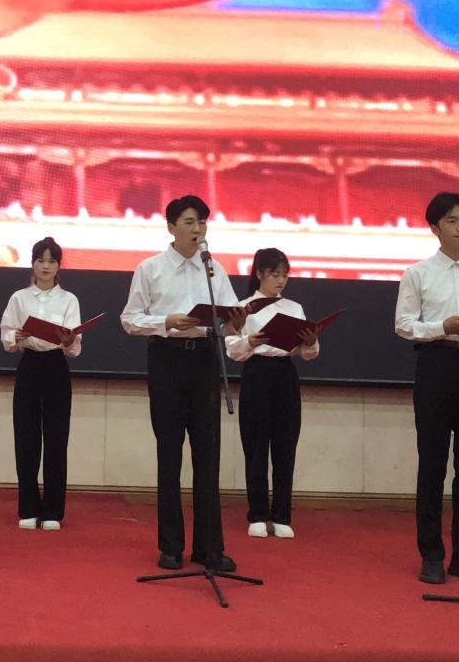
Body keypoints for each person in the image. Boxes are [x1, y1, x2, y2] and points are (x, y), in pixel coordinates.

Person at [120, 194, 242, 572]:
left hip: (205, 360)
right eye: (189, 222)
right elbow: (129, 319)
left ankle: (210, 548)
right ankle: (171, 546)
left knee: (208, 457)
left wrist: (236, 322)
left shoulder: (214, 269)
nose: (198, 228)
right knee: (169, 454)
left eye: (202, 222)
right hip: (167, 360)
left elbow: (230, 319)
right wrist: (166, 322)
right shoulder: (151, 269)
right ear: (171, 227)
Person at [394, 191, 459, 586]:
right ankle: (432, 555)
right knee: (433, 464)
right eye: (452, 221)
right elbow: (404, 325)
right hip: (437, 364)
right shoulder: (418, 273)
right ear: (435, 228)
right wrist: (442, 327)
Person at [225, 247, 318, 540]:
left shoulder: (294, 307)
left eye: (284, 275)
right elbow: (231, 350)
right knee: (255, 445)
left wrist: (311, 342)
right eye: (275, 274)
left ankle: (281, 516)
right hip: (257, 373)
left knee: (285, 444)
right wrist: (250, 342)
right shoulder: (244, 307)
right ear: (259, 274)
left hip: (285, 374)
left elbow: (308, 353)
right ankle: (257, 514)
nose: (281, 280)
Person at [0, 236, 81, 531]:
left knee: (57, 439)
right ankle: (28, 507)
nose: (46, 266)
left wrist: (69, 340)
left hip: (56, 366)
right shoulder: (19, 298)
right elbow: (6, 335)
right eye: (40, 260)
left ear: (59, 266)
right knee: (26, 437)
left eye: (51, 261)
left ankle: (53, 511)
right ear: (32, 264)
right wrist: (16, 336)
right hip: (30, 365)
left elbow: (74, 346)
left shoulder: (68, 299)